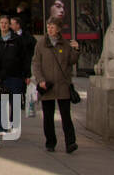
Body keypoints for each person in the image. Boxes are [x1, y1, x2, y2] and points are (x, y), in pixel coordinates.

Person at [32, 17, 80, 153]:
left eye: (52, 27)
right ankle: (50, 142)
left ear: (59, 29)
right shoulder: (41, 44)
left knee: (66, 116)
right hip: (47, 85)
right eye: (48, 27)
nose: (50, 29)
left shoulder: (65, 44)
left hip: (63, 85)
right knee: (48, 117)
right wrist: (40, 80)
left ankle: (70, 143)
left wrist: (76, 50)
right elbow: (36, 63)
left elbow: (71, 61)